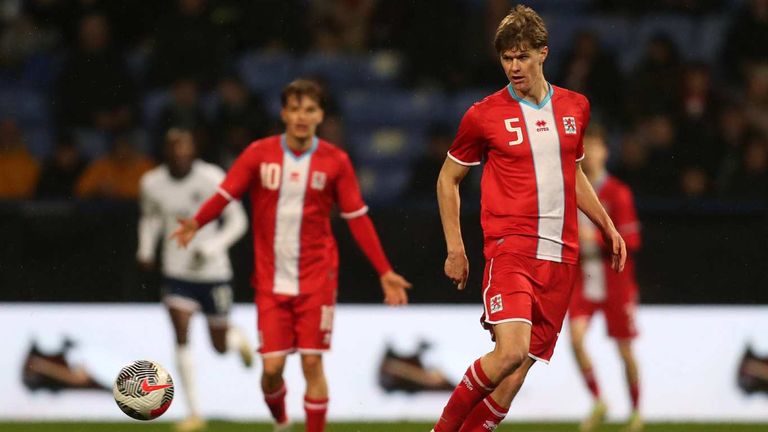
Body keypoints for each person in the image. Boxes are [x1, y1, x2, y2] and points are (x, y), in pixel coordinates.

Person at [171, 79, 411, 432]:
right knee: (271, 371)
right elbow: (226, 194)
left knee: (312, 363)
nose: (302, 116)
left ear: (320, 116)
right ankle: (281, 421)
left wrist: (384, 271)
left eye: (310, 109)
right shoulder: (258, 154)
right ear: (284, 113)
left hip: (318, 278)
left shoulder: (336, 162)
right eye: (295, 109)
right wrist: (197, 221)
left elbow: (357, 219)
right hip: (271, 281)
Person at [431, 6, 627, 432]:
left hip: (560, 258)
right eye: (506, 58)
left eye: (522, 56)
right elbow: (448, 180)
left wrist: (606, 224)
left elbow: (571, 172)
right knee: (509, 353)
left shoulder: (576, 108)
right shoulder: (483, 115)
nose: (514, 66)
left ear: (543, 53)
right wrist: (455, 247)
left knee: (513, 378)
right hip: (511, 249)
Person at [138, 128, 251, 432]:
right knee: (181, 332)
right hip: (177, 272)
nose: (179, 154)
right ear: (166, 152)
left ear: (193, 150)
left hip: (213, 273)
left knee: (219, 345)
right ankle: (194, 413)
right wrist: (146, 248)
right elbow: (150, 217)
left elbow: (238, 221)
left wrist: (212, 246)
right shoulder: (152, 183)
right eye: (173, 148)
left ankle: (235, 339)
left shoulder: (211, 177)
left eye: (184, 148)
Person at [568, 125, 643, 432]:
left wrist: (596, 239)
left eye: (594, 146)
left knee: (625, 351)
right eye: (584, 147)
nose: (590, 153)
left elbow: (633, 241)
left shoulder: (618, 193)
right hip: (583, 279)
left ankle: (636, 412)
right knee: (575, 340)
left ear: (605, 151)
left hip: (615, 281)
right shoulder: (570, 189)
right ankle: (599, 401)